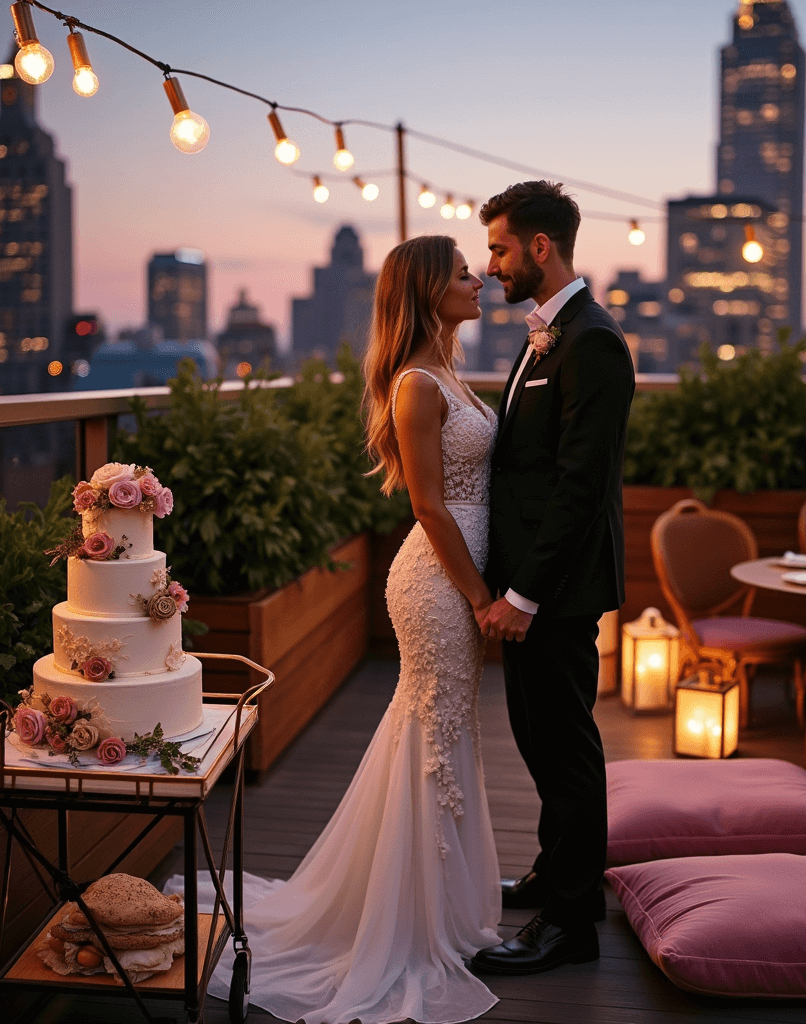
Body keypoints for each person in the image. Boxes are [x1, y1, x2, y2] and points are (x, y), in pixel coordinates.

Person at [170, 235, 502, 1023]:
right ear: (428, 292)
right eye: (462, 271)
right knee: (433, 732)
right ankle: (406, 920)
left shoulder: (446, 371)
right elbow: (426, 506)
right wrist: (482, 595)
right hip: (438, 582)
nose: (477, 277)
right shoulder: (418, 385)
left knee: (441, 735)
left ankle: (436, 906)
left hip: (456, 578)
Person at [470, 181, 635, 976]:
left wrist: (523, 596)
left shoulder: (591, 341)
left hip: (556, 594)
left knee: (567, 749)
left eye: (500, 247)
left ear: (541, 248)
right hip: (531, 588)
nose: (489, 262)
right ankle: (553, 874)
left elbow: (581, 485)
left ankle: (572, 924)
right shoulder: (549, 335)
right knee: (540, 741)